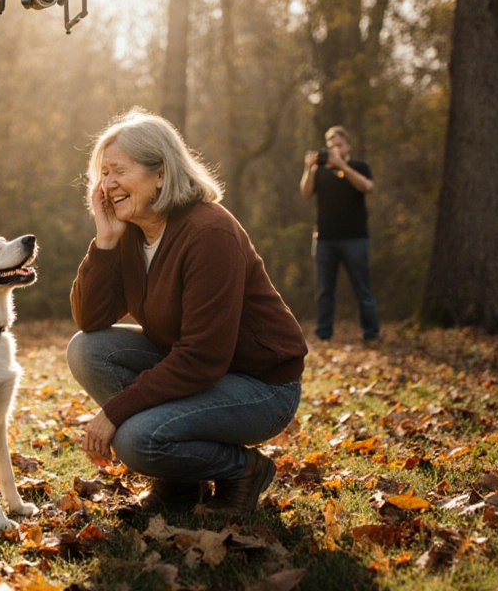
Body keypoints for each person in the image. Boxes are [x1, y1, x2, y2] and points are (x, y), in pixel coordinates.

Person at [67, 109, 307, 514]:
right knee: (87, 349)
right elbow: (90, 320)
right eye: (102, 173)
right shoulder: (131, 232)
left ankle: (243, 470)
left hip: (262, 386)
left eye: (118, 171)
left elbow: (202, 357)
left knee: (136, 439)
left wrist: (116, 411)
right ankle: (180, 486)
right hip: (207, 369)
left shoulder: (208, 233)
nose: (107, 185)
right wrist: (105, 241)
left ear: (160, 173)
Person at [299, 125, 380, 343]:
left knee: (362, 287)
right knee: (324, 290)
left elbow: (366, 187)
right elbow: (305, 193)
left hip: (355, 238)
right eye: (330, 145)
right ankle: (324, 334)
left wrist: (342, 165)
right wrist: (310, 168)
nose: (334, 149)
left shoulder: (358, 166)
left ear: (348, 146)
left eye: (339, 144)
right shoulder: (320, 171)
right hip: (324, 239)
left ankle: (371, 333)